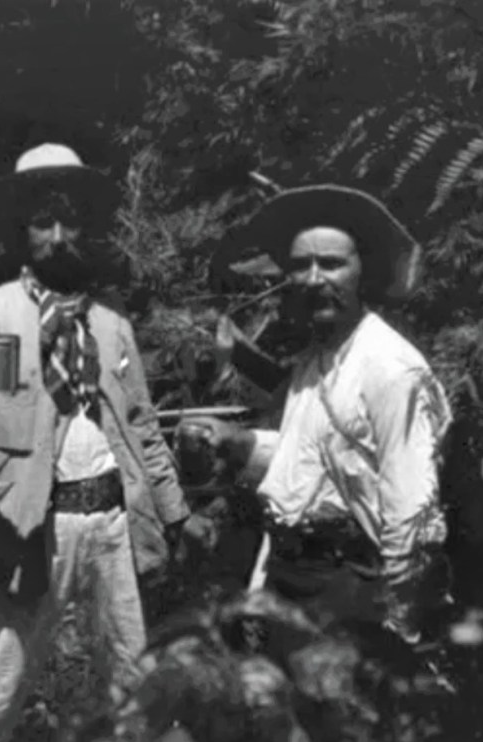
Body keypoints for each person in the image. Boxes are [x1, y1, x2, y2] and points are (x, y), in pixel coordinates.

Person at [0, 142, 215, 742]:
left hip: (113, 519)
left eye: (70, 222)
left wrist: (176, 513)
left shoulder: (110, 322)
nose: (58, 238)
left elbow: (142, 426)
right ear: (22, 231)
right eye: (42, 223)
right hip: (36, 524)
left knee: (129, 660)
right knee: (6, 665)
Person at [183, 184, 453, 645]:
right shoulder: (316, 359)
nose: (312, 279)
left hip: (352, 586)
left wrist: (399, 631)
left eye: (330, 264)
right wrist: (241, 443)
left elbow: (410, 506)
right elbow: (313, 462)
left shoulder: (390, 369)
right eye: (300, 265)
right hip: (293, 579)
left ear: (363, 272)